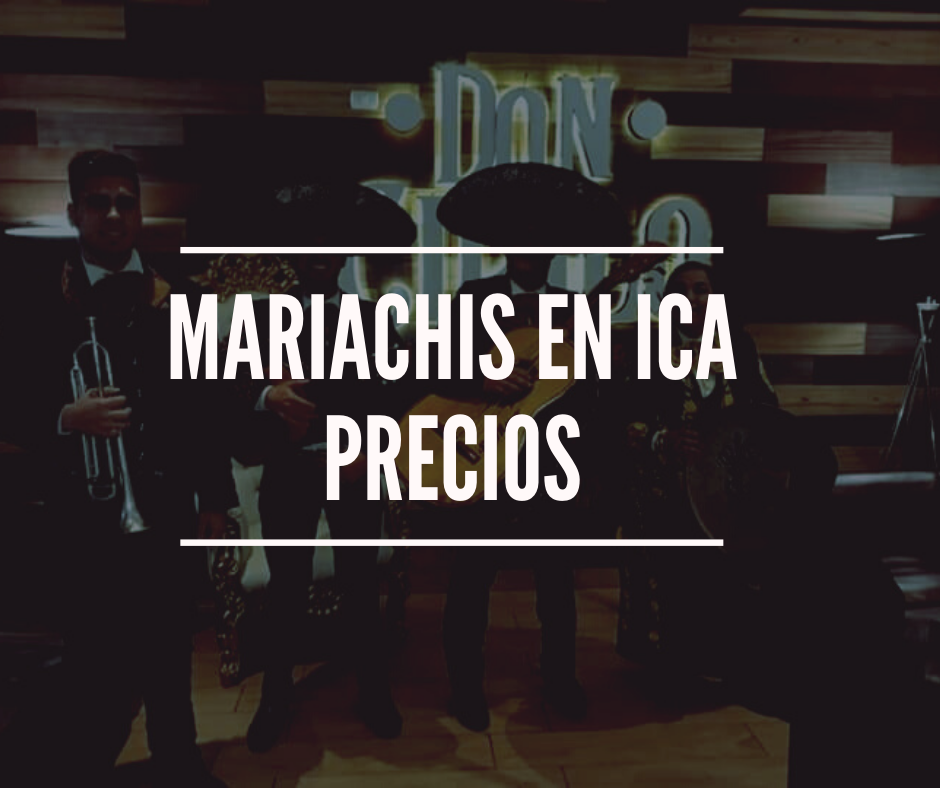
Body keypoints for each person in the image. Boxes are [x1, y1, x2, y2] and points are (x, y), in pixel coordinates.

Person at [11, 150, 235, 787]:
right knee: (93, 655)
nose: (113, 214)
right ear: (73, 212)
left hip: (165, 507)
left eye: (124, 202)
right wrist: (64, 417)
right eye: (98, 202)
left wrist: (214, 498)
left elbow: (205, 407)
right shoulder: (33, 297)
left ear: (139, 212)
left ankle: (179, 765)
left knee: (170, 647)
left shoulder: (182, 296)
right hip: (84, 514)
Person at [434, 163, 632, 732]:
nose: (529, 245)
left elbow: (591, 393)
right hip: (483, 458)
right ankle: (465, 687)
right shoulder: (471, 298)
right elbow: (437, 370)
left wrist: (589, 467)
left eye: (540, 237)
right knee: (471, 579)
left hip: (550, 463)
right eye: (519, 236)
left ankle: (561, 679)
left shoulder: (574, 307)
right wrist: (484, 377)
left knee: (556, 581)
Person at [234, 182, 416, 752]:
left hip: (356, 469)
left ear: (343, 256)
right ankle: (274, 698)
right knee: (285, 590)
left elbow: (395, 397)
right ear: (293, 254)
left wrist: (371, 447)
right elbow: (228, 389)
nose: (319, 253)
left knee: (361, 587)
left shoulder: (373, 318)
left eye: (330, 244)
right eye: (309, 244)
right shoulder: (259, 317)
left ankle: (373, 691)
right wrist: (267, 395)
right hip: (287, 471)